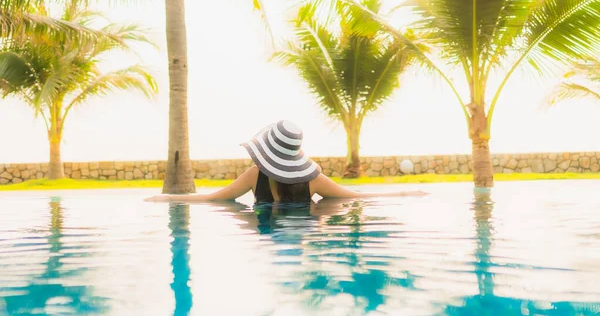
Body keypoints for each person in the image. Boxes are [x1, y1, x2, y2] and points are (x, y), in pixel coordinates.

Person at [146, 120, 428, 203]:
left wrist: (166, 199)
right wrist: (405, 192)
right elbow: (356, 196)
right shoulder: (313, 181)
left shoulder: (255, 175)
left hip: (264, 225)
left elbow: (214, 199)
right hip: (303, 225)